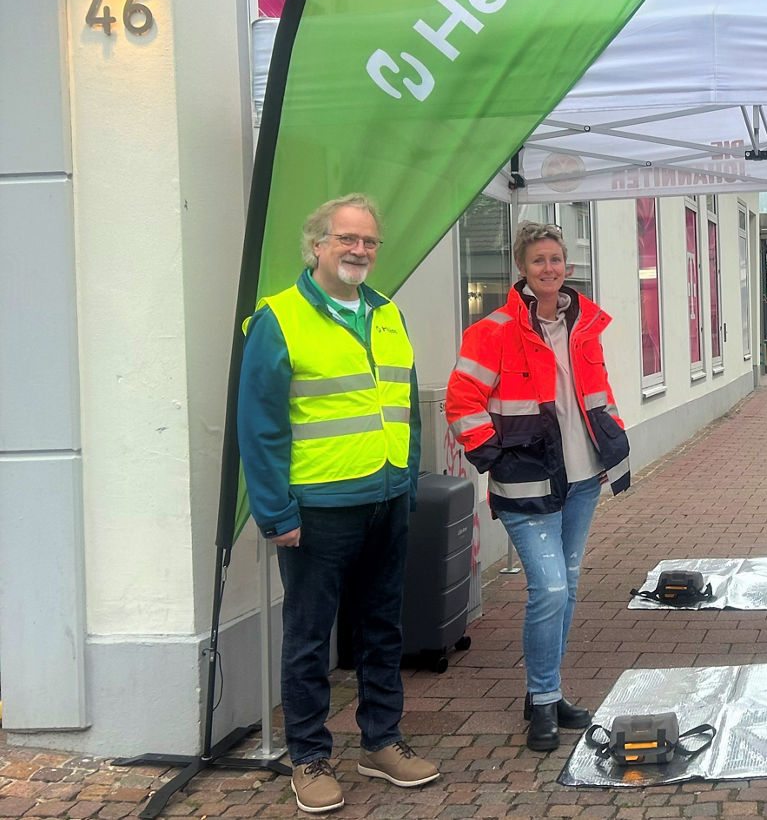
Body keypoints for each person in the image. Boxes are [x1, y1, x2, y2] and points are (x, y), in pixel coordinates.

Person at [238, 194, 439, 814]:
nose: (359, 251)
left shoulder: (387, 314)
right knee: (309, 637)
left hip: (385, 498)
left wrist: (406, 480)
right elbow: (260, 425)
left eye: (369, 242)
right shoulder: (280, 318)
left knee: (382, 628)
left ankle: (380, 742)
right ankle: (309, 756)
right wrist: (276, 513)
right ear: (317, 244)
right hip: (319, 511)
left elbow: (401, 408)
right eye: (347, 239)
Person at [446, 222, 630, 752]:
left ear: (566, 267)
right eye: (538, 261)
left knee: (568, 588)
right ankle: (544, 698)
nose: (548, 269)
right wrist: (495, 457)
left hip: (582, 481)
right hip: (527, 483)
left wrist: (609, 447)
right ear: (522, 271)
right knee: (548, 589)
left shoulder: (584, 326)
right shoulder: (494, 331)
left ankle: (543, 693)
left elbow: (600, 396)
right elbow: (462, 401)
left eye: (556, 259)